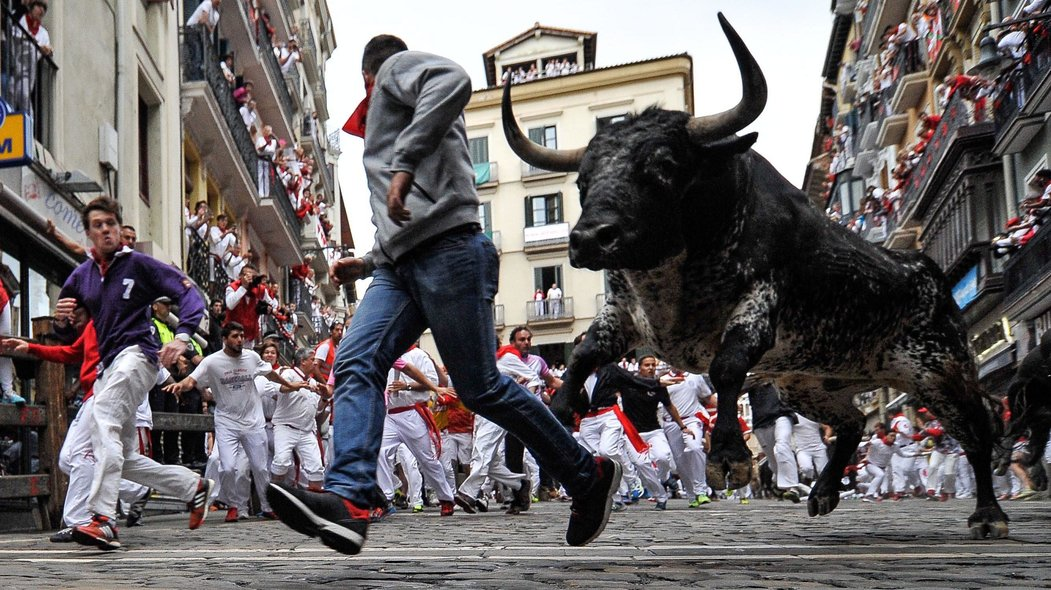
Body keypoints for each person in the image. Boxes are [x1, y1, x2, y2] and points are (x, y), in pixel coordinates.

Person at [266, 34, 620, 556]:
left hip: (450, 250)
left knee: (480, 389)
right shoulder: (385, 112)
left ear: (369, 76)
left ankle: (586, 475)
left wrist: (405, 161)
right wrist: (366, 261)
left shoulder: (397, 69)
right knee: (357, 362)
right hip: (397, 267)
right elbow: (399, 214)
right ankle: (350, 501)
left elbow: (454, 79)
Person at [55, 197, 213, 551]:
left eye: (111, 222)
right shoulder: (81, 277)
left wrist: (184, 336)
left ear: (118, 227)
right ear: (89, 233)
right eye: (98, 225)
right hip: (109, 366)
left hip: (138, 356)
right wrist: (61, 321)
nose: (106, 229)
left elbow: (188, 294)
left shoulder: (139, 265)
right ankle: (193, 488)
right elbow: (68, 331)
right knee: (122, 456)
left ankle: (103, 519)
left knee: (104, 420)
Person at [164, 322, 310, 522]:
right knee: (227, 467)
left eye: (242, 335)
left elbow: (270, 374)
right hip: (227, 422)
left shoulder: (251, 357)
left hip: (253, 422)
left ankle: (267, 506)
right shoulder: (212, 362)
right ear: (225, 339)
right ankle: (233, 505)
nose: (240, 339)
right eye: (235, 336)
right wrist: (179, 385)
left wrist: (288, 384)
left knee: (260, 468)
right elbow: (192, 380)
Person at [747, 382, 802, 502]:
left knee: (782, 447)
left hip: (782, 414)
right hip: (761, 420)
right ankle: (777, 480)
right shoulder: (751, 379)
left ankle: (792, 488)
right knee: (772, 459)